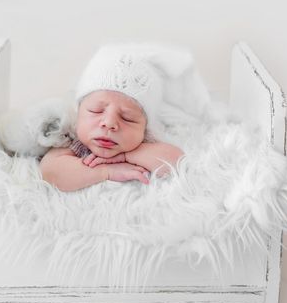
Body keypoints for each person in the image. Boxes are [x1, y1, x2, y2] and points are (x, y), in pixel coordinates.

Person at [40, 43, 186, 192]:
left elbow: (178, 162)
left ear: (145, 128)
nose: (109, 123)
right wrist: (106, 172)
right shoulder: (73, 141)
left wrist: (127, 155)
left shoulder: (143, 144)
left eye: (127, 118)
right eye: (96, 111)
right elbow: (50, 172)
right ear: (78, 114)